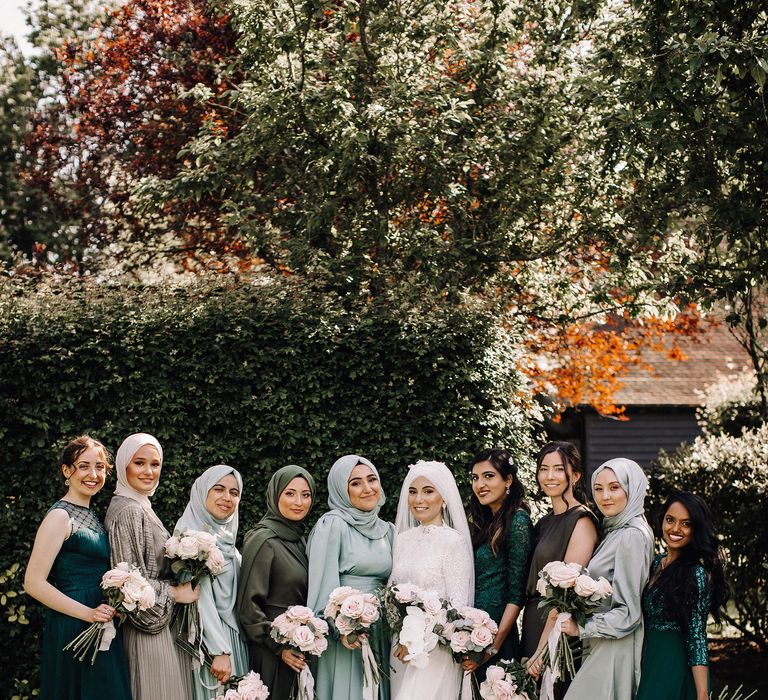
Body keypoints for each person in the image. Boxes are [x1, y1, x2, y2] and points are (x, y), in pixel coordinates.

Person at [24, 435, 131, 700]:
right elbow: (33, 582)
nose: (93, 474)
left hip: (100, 618)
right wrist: (87, 613)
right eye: (84, 466)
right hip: (76, 621)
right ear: (66, 470)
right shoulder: (60, 516)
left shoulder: (92, 515)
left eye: (99, 467)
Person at [104, 432, 198, 700]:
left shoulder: (139, 504)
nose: (148, 471)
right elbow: (129, 586)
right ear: (124, 465)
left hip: (162, 627)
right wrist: (174, 593)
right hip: (148, 630)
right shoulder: (128, 511)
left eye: (155, 464)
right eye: (139, 463)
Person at [560, 457, 654, 700]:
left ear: (631, 489)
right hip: (602, 642)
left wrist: (580, 627)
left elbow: (628, 612)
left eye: (614, 487)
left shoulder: (631, 535)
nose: (605, 496)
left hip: (615, 648)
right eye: (599, 489)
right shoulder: (617, 530)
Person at [306, 455, 395, 700]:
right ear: (341, 490)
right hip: (344, 635)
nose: (367, 489)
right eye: (355, 483)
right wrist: (341, 628)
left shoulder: (389, 531)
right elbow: (322, 584)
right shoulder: (333, 525)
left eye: (372, 480)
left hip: (380, 632)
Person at [389, 460, 474, 700]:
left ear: (444, 497)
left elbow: (457, 607)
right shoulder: (402, 540)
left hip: (435, 650)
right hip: (400, 650)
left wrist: (417, 638)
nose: (419, 500)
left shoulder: (453, 542)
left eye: (428, 491)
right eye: (413, 492)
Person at [635, 492, 727, 700]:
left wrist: (702, 694)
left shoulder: (695, 573)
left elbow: (696, 636)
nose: (675, 529)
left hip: (673, 666)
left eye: (686, 523)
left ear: (696, 529)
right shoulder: (655, 563)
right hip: (647, 660)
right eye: (670, 520)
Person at [523, 442, 598, 692]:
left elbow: (564, 596)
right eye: (544, 469)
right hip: (534, 622)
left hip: (556, 633)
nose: (549, 476)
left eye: (558, 469)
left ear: (575, 475)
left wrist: (542, 650)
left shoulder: (582, 520)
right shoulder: (544, 523)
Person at [237, 465, 316, 699]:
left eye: (306, 494)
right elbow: (248, 606)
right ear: (275, 495)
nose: (298, 502)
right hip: (271, 650)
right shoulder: (263, 539)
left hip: (298, 647)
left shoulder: (300, 539)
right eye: (290, 493)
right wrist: (279, 646)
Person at [175, 464, 248, 699]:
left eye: (234, 493)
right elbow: (199, 598)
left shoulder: (228, 541)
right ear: (202, 492)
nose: (227, 498)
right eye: (218, 489)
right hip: (211, 645)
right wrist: (219, 650)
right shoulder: (190, 538)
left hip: (234, 638)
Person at [463, 448, 533, 679]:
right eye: (475, 477)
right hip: (471, 632)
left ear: (508, 480)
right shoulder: (484, 521)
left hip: (496, 635)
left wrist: (493, 647)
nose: (480, 484)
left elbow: (516, 595)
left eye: (489, 476)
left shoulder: (518, 521)